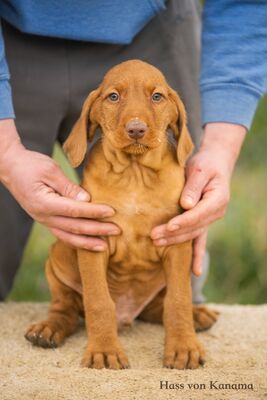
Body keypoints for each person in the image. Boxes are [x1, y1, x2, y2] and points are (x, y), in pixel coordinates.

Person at [0, 1, 267, 301]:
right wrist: (6, 151)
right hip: (9, 39)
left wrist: (220, 147)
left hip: (152, 24)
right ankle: (64, 310)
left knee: (176, 274)